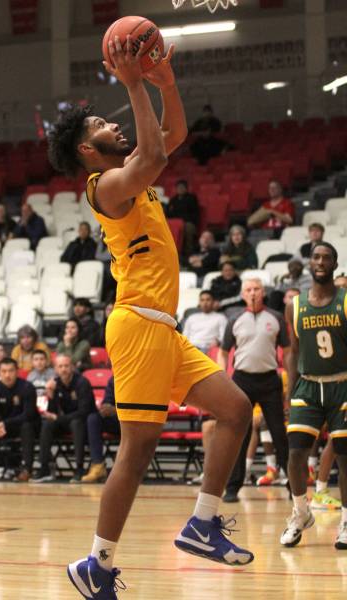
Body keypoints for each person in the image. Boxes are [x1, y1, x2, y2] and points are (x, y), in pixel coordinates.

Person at [48, 36, 253, 597]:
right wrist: (134, 82)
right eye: (98, 126)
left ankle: (203, 522)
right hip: (137, 327)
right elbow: (157, 154)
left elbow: (172, 138)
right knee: (136, 454)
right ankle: (96, 564)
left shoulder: (132, 171)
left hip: (164, 328)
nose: (111, 126)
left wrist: (165, 85)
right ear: (87, 152)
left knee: (236, 410)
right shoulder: (106, 188)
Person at [280, 242, 347, 550]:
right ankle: (300, 512)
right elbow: (293, 352)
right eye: (316, 257)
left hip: (342, 384)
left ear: (334, 264)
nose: (321, 261)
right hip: (307, 386)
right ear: (309, 263)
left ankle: (346, 521)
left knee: (345, 457)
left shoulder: (345, 300)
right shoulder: (295, 305)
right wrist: (288, 389)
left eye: (327, 258)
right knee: (294, 455)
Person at [217, 278, 290, 502]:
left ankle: (293, 485)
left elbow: (287, 351)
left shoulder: (276, 318)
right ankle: (232, 487)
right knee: (241, 434)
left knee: (280, 434)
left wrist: (289, 384)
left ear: (263, 292)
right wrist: (222, 379)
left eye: (256, 289)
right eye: (248, 289)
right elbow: (223, 352)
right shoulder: (234, 319)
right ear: (242, 294)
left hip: (270, 381)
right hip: (242, 381)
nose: (253, 293)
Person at [31, 355, 96, 484]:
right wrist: (50, 395)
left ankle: (79, 468)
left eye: (66, 366)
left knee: (76, 423)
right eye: (60, 366)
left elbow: (84, 412)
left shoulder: (82, 382)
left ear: (72, 367)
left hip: (84, 422)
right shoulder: (55, 384)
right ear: (55, 369)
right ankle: (45, 468)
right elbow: (54, 412)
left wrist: (58, 418)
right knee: (47, 425)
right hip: (65, 420)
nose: (64, 369)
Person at [82, 376, 120, 483]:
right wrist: (106, 407)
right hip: (117, 421)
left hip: (135, 422)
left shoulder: (139, 379)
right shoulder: (114, 379)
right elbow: (108, 400)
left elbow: (139, 408)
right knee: (93, 419)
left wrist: (115, 410)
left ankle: (124, 464)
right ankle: (98, 465)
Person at [165, 180, 199, 257]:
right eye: (178, 188)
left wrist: (183, 220)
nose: (180, 189)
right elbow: (168, 212)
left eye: (182, 187)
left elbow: (194, 213)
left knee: (188, 228)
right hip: (175, 222)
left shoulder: (192, 198)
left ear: (186, 189)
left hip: (188, 221)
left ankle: (188, 252)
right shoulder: (173, 199)